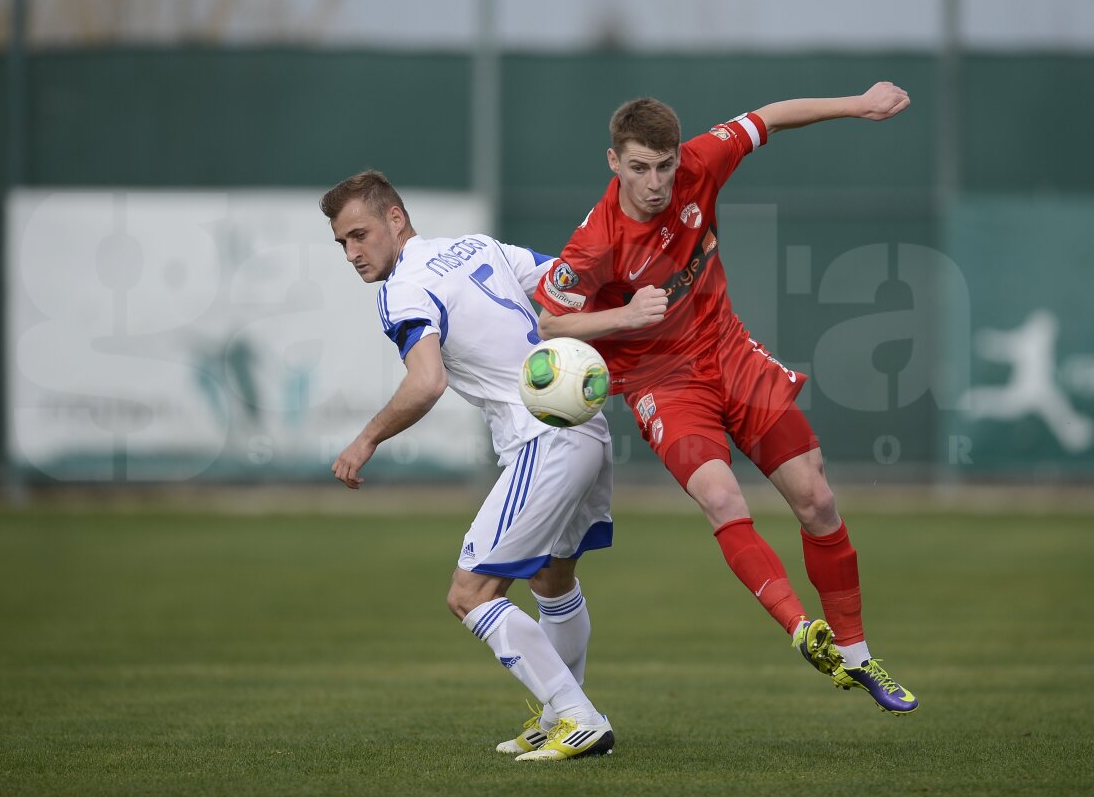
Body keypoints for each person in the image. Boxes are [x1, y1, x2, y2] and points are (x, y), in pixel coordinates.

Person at [533, 82, 918, 715]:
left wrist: (856, 105)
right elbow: (549, 321)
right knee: (721, 497)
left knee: (817, 498)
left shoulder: (701, 161)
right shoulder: (597, 240)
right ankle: (802, 629)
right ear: (613, 162)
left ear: (677, 156)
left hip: (730, 353)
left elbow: (770, 117)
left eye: (664, 166)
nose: (655, 183)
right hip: (663, 383)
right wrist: (625, 316)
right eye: (639, 168)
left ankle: (856, 655)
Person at [321, 170, 617, 759]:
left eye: (359, 235)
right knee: (552, 580)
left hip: (542, 439)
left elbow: (426, 382)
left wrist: (365, 440)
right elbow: (567, 281)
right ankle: (560, 714)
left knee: (470, 594)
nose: (352, 253)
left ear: (395, 219)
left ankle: (578, 718)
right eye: (342, 243)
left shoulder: (402, 288)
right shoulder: (476, 246)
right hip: (586, 423)